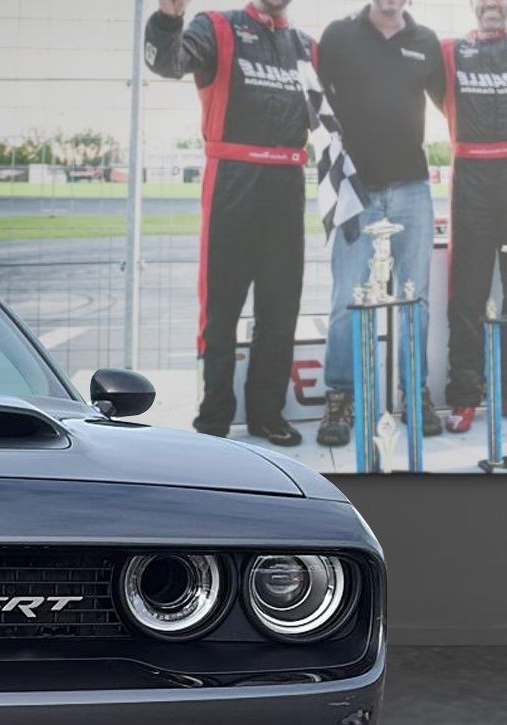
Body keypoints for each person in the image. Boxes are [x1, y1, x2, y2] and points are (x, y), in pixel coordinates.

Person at [145, 0, 312, 447]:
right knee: (221, 310)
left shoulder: (306, 46)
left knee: (280, 309)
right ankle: (214, 419)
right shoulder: (217, 26)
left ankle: (267, 415)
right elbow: (168, 62)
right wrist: (168, 20)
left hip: (288, 185)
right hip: (233, 182)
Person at [317, 0, 445, 447]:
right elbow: (310, 98)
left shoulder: (426, 41)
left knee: (416, 299)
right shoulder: (339, 35)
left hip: (413, 187)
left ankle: (415, 393)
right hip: (356, 188)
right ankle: (341, 395)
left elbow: (455, 106)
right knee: (346, 298)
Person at [436, 0, 507, 434]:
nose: (491, 4)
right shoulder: (447, 50)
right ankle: (464, 395)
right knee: (466, 292)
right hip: (472, 177)